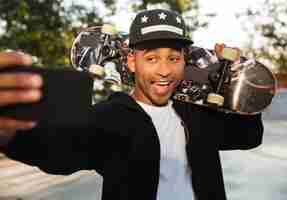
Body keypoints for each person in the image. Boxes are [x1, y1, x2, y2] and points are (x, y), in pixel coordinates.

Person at [0, 9, 263, 200]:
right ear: (131, 62)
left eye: (173, 59)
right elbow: (60, 153)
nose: (164, 71)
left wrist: (238, 87)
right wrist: (9, 133)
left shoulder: (198, 116)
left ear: (185, 61)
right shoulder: (111, 116)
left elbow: (249, 136)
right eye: (151, 59)